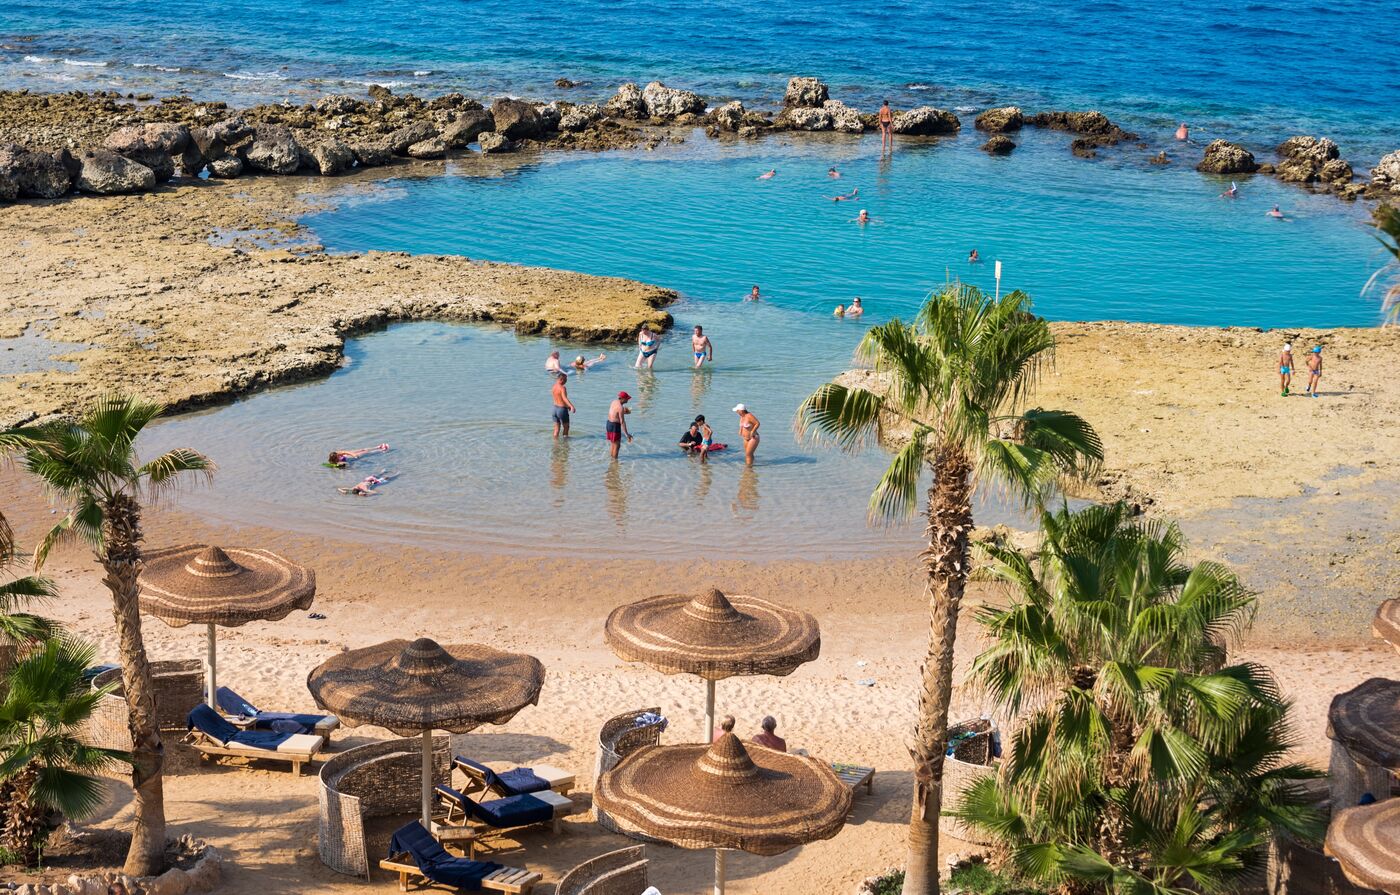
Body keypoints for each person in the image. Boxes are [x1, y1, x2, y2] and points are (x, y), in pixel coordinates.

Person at [607, 392, 633, 459]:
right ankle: (615, 461)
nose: (628, 400)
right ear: (622, 399)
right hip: (615, 426)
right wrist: (626, 434)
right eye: (627, 398)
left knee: (613, 443)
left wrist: (624, 412)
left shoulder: (614, 402)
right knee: (617, 445)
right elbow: (622, 422)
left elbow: (614, 412)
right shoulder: (620, 408)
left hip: (609, 424)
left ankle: (612, 459)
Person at [551, 372, 575, 438]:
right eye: (565, 380)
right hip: (562, 410)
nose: (566, 381)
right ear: (561, 379)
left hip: (554, 409)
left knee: (556, 428)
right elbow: (564, 398)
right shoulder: (562, 388)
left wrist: (567, 406)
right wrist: (571, 406)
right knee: (566, 427)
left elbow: (559, 398)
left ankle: (555, 442)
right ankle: (565, 442)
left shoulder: (554, 386)